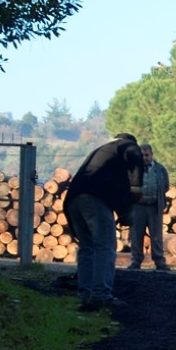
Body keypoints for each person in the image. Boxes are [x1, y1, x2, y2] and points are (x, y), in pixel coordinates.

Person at [63, 133, 143, 311]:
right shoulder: (128, 147)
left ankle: (86, 293)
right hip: (94, 199)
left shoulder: (102, 152)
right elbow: (129, 185)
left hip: (73, 199)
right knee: (105, 246)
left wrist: (123, 211)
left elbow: (116, 187)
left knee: (87, 247)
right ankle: (101, 295)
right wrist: (136, 193)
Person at [127, 143, 171, 271]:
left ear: (151, 155)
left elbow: (166, 186)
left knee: (156, 236)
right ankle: (136, 261)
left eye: (147, 155)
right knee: (136, 235)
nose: (144, 158)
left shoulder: (160, 170)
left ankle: (159, 262)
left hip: (154, 207)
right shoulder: (134, 170)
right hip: (137, 207)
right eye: (142, 155)